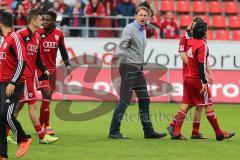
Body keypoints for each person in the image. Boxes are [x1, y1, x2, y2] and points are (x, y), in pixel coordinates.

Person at [109, 6, 167, 139]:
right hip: (129, 67)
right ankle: (114, 131)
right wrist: (117, 54)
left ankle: (148, 131)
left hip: (137, 68)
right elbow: (123, 43)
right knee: (124, 100)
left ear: (149, 18)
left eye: (145, 16)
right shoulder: (130, 28)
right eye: (140, 15)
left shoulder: (142, 30)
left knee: (145, 99)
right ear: (135, 16)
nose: (143, 17)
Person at [171, 21, 235, 141]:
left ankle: (176, 131)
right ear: (204, 31)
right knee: (208, 105)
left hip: (187, 78)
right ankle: (219, 133)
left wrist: (189, 28)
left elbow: (188, 34)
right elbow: (201, 65)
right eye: (206, 30)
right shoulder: (202, 45)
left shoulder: (190, 42)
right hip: (197, 80)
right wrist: (204, 82)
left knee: (185, 105)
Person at [13, 9, 58, 144]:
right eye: (40, 19)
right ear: (33, 21)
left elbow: (37, 57)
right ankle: (42, 136)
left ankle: (6, 133)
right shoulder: (20, 34)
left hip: (30, 75)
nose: (43, 22)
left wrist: (44, 70)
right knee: (32, 105)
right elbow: (12, 53)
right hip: (23, 76)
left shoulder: (37, 36)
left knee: (19, 106)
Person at [167, 17, 208, 139]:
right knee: (193, 103)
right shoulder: (185, 38)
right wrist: (193, 67)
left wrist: (208, 72)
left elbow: (204, 59)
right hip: (190, 74)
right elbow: (182, 55)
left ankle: (179, 127)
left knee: (195, 104)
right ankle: (178, 128)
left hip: (194, 74)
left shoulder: (199, 39)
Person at [0, 9, 31, 159]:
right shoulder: (5, 39)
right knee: (0, 118)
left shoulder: (14, 37)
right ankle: (2, 155)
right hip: (2, 84)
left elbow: (22, 61)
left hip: (13, 84)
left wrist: (12, 82)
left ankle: (24, 138)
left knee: (5, 115)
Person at [37, 10, 71, 135]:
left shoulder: (59, 34)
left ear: (54, 21)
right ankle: (47, 125)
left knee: (47, 99)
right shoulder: (38, 33)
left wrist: (68, 64)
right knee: (46, 94)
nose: (45, 22)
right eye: (43, 19)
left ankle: (41, 125)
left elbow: (63, 50)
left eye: (47, 20)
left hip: (52, 69)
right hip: (39, 70)